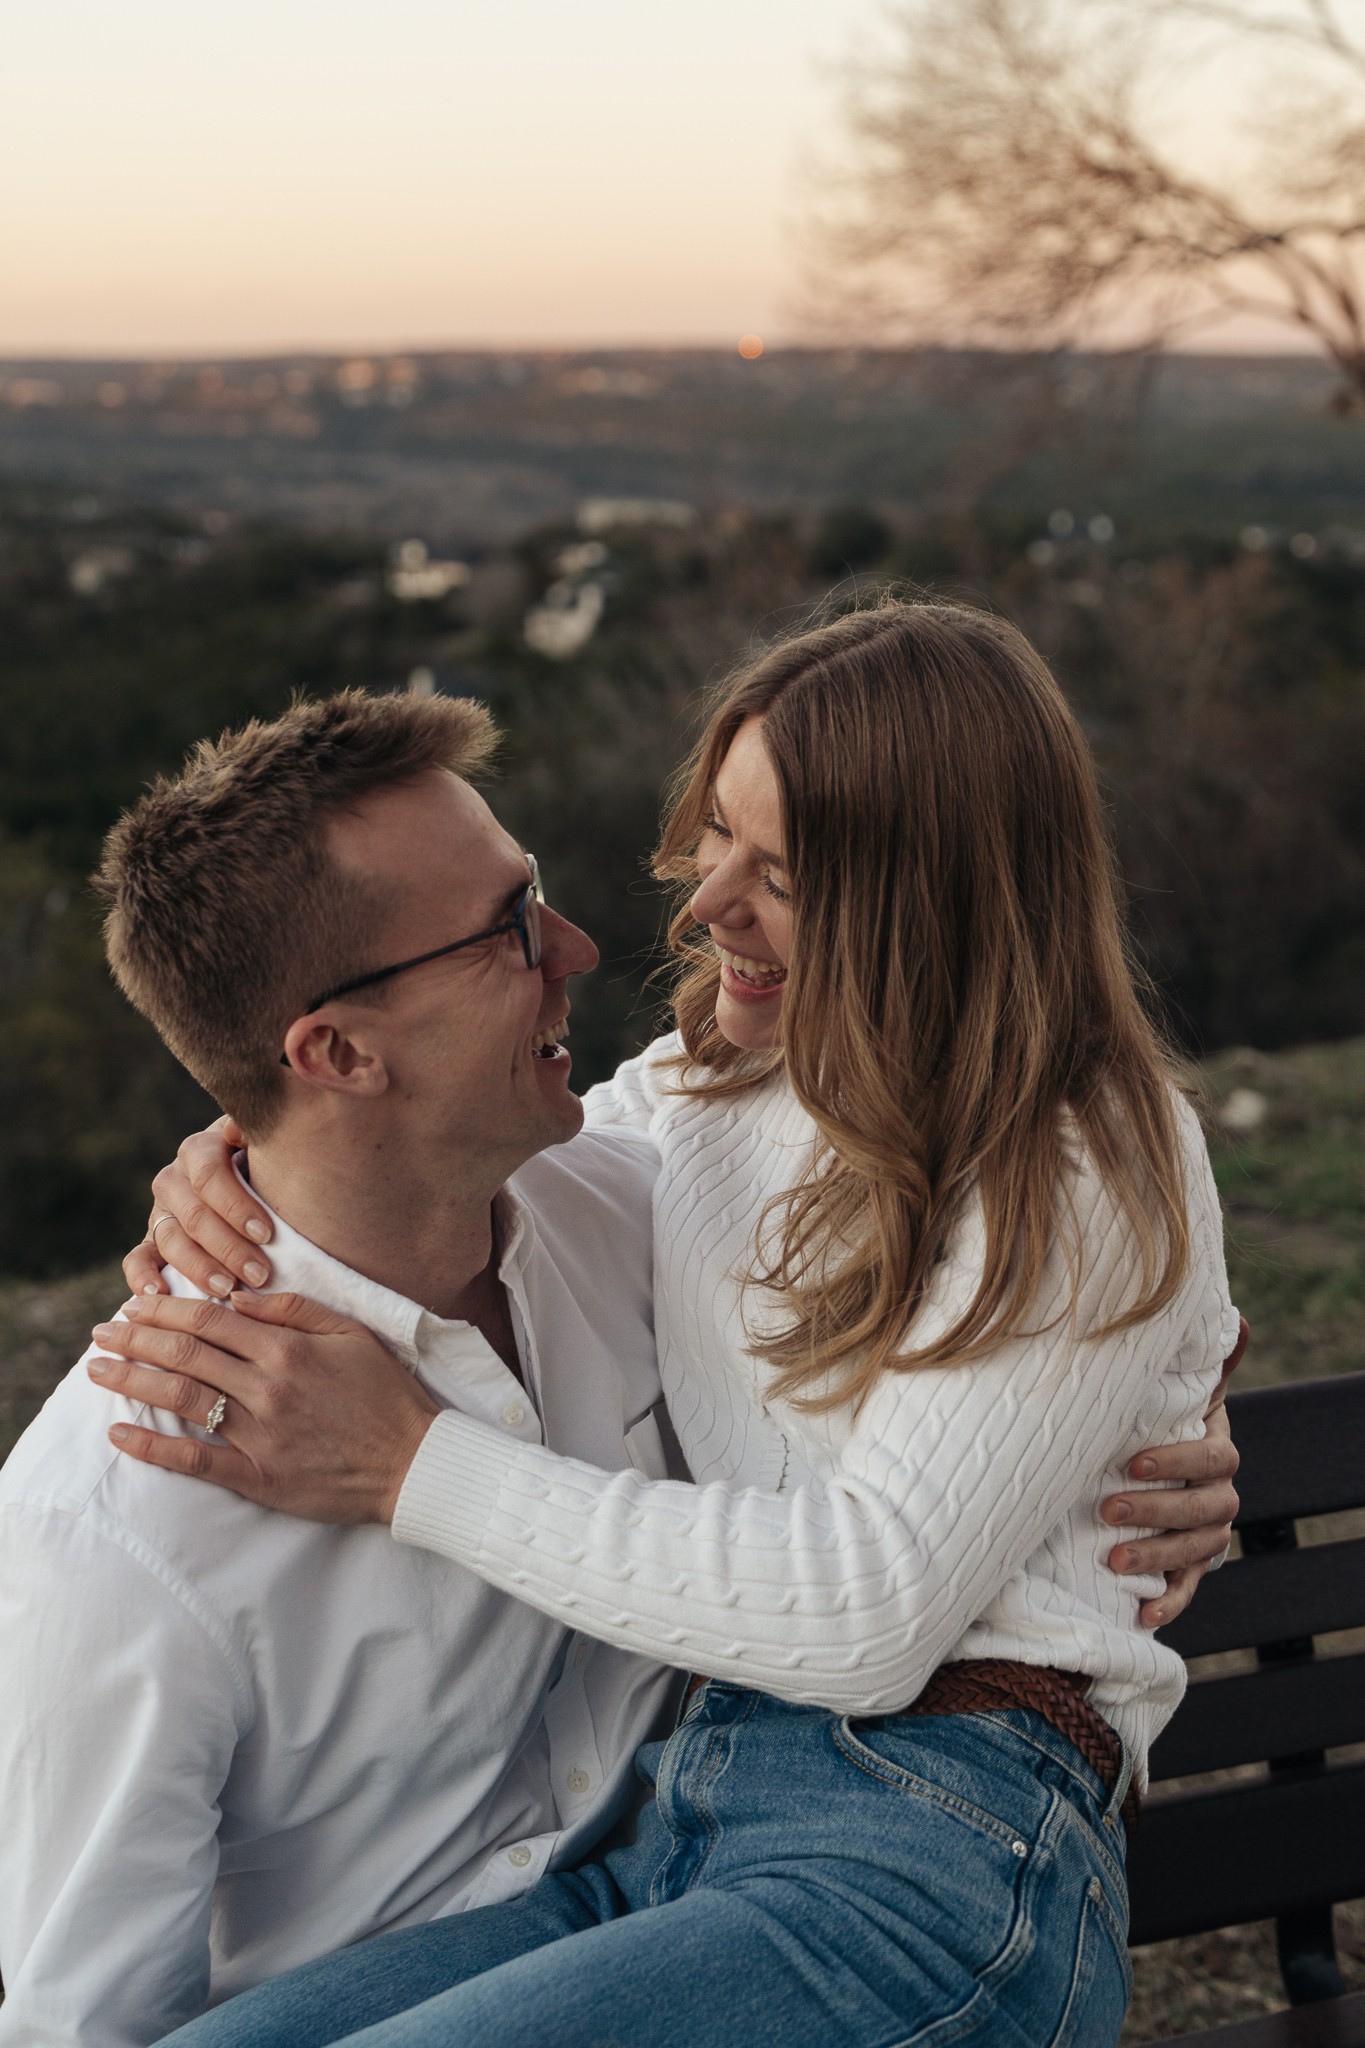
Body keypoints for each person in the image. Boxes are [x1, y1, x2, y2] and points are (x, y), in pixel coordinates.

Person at [97, 600, 1241, 2048]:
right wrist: (248, 1143)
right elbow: (435, 1141)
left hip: (936, 1858)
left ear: (930, 894)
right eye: (714, 840)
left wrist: (409, 1466)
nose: (707, 908)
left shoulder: (1077, 1151)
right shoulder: (699, 1099)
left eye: (784, 872)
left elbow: (868, 1616)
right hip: (683, 1824)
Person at [0, 693, 684, 2047]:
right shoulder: (115, 1526)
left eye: (530, 893)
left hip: (701, 1950)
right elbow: (91, 2029)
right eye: (507, 929)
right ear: (334, 1052)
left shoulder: (637, 1215)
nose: (575, 948)